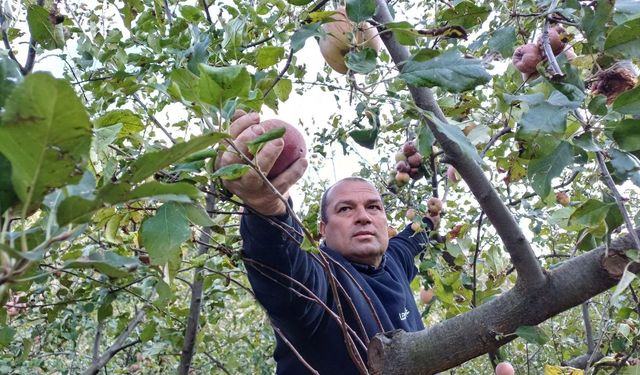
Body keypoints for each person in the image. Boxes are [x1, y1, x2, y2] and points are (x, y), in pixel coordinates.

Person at [217, 112, 438, 374]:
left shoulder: (394, 261)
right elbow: (285, 270)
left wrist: (431, 219)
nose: (363, 217)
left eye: (373, 207)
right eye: (345, 209)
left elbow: (413, 237)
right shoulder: (322, 277)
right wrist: (267, 209)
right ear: (323, 229)